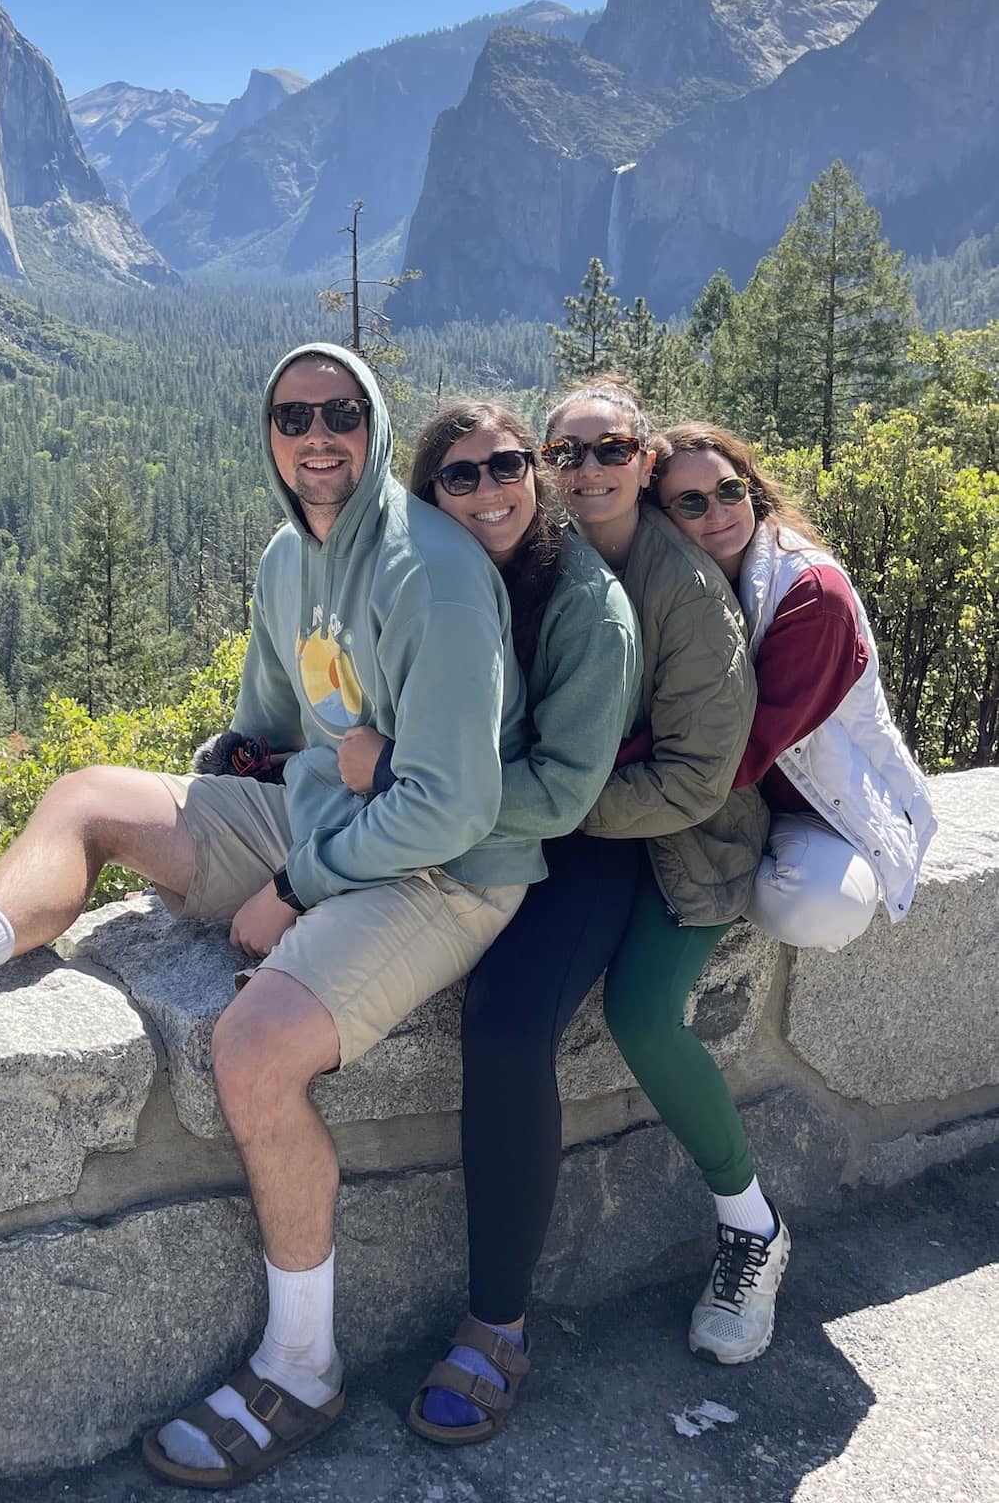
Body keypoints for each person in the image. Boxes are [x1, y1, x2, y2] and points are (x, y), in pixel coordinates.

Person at [0, 342, 541, 1490]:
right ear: (268, 435)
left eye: (344, 413)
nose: (320, 435)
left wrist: (295, 888)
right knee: (89, 797)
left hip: (445, 869)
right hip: (324, 820)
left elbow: (455, 807)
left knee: (252, 1050)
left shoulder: (434, 573)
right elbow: (267, 732)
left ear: (375, 423)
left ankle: (301, 1366)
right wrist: (204, 813)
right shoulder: (288, 561)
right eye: (294, 415)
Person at [409, 375, 773, 1443]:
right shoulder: (504, 558)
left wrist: (531, 811)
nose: (581, 468)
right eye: (564, 453)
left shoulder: (660, 593)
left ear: (644, 458)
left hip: (631, 840)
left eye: (606, 447)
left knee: (512, 1024)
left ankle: (498, 1323)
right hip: (525, 821)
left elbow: (693, 782)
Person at [328, 399, 642, 1444]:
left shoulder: (588, 610)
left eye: (509, 464)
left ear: (538, 475)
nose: (489, 489)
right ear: (427, 498)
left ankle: (498, 1323)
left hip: (581, 849)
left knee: (507, 1033)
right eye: (457, 477)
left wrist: (415, 782)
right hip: (457, 825)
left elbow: (562, 791)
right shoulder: (438, 577)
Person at [652, 423, 936, 947]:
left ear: (751, 489)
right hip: (732, 800)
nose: (717, 512)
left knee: (823, 907)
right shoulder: (676, 586)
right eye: (690, 503)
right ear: (659, 518)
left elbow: (744, 750)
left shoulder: (812, 597)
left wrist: (620, 782)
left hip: (815, 806)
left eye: (729, 490)